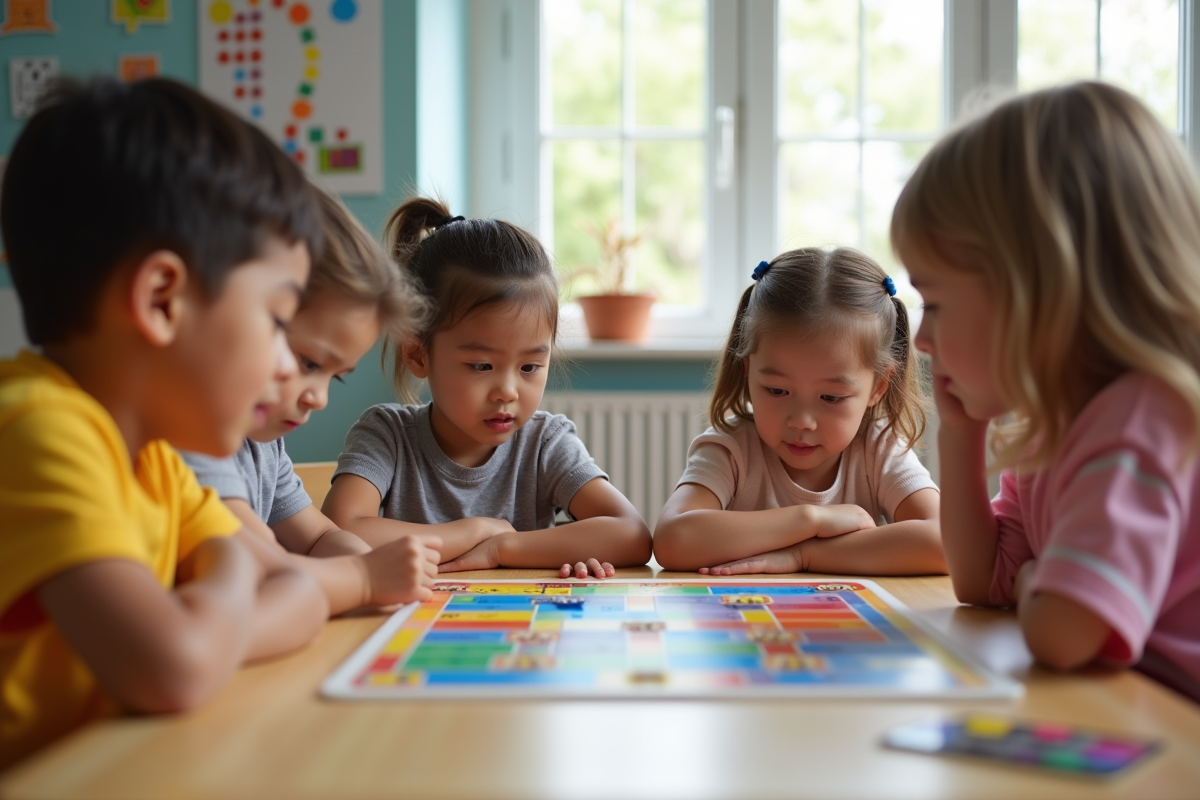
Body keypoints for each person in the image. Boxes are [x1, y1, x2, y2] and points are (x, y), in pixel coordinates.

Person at [0, 77, 329, 768]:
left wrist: (214, 604)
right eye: (275, 321)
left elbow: (300, 597)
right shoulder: (39, 429)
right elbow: (175, 668)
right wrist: (230, 579)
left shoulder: (153, 460)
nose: (283, 367)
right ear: (161, 299)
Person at [892, 81, 1200, 700]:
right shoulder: (1052, 432)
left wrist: (1038, 581)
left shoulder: (1137, 418)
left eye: (937, 304)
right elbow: (979, 581)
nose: (922, 339)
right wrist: (962, 433)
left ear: (1041, 293)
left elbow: (1063, 633)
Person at [321, 197, 652, 579]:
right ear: (417, 355)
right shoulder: (388, 435)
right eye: (481, 366)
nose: (507, 392)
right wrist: (474, 531)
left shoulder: (545, 442)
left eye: (529, 366)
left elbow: (632, 535)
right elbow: (339, 530)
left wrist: (502, 547)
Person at [182, 188, 441, 616]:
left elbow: (318, 537)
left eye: (334, 378)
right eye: (307, 362)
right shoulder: (193, 440)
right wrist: (366, 578)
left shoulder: (262, 443)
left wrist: (370, 564)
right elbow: (271, 569)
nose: (317, 397)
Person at [654, 247, 944, 576]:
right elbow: (671, 541)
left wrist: (805, 555)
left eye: (832, 398)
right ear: (749, 370)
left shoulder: (879, 448)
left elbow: (947, 543)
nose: (801, 421)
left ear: (877, 387)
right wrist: (811, 519)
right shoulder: (730, 448)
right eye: (777, 391)